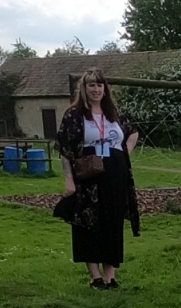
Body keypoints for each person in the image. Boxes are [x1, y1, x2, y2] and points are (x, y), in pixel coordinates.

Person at [55, 69, 141, 290]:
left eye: (100, 85)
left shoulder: (113, 113)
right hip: (88, 175)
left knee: (113, 222)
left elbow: (133, 132)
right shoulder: (75, 114)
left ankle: (110, 276)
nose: (96, 89)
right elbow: (65, 149)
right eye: (91, 85)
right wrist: (69, 179)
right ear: (84, 88)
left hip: (115, 173)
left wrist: (124, 151)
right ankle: (95, 276)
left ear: (105, 88)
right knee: (89, 223)